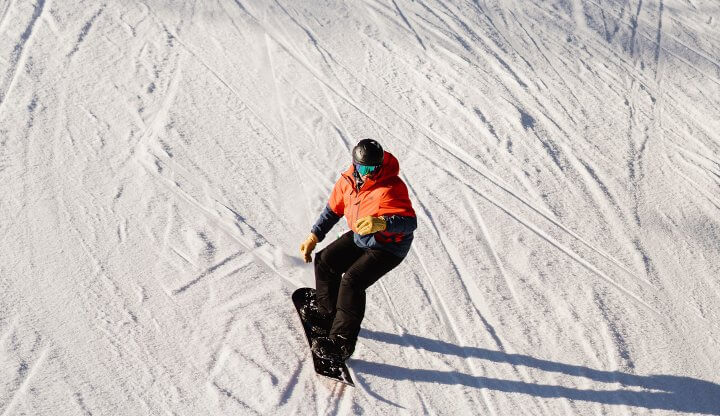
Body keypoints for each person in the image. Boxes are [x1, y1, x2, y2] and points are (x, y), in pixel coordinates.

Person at [299, 139, 417, 362]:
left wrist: (383, 223)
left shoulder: (390, 188)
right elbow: (333, 210)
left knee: (352, 280)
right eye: (363, 168)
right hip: (362, 236)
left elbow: (409, 222)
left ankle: (341, 342)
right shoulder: (348, 181)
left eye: (374, 168)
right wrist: (314, 235)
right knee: (325, 261)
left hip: (388, 246)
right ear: (355, 164)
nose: (368, 173)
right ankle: (328, 313)